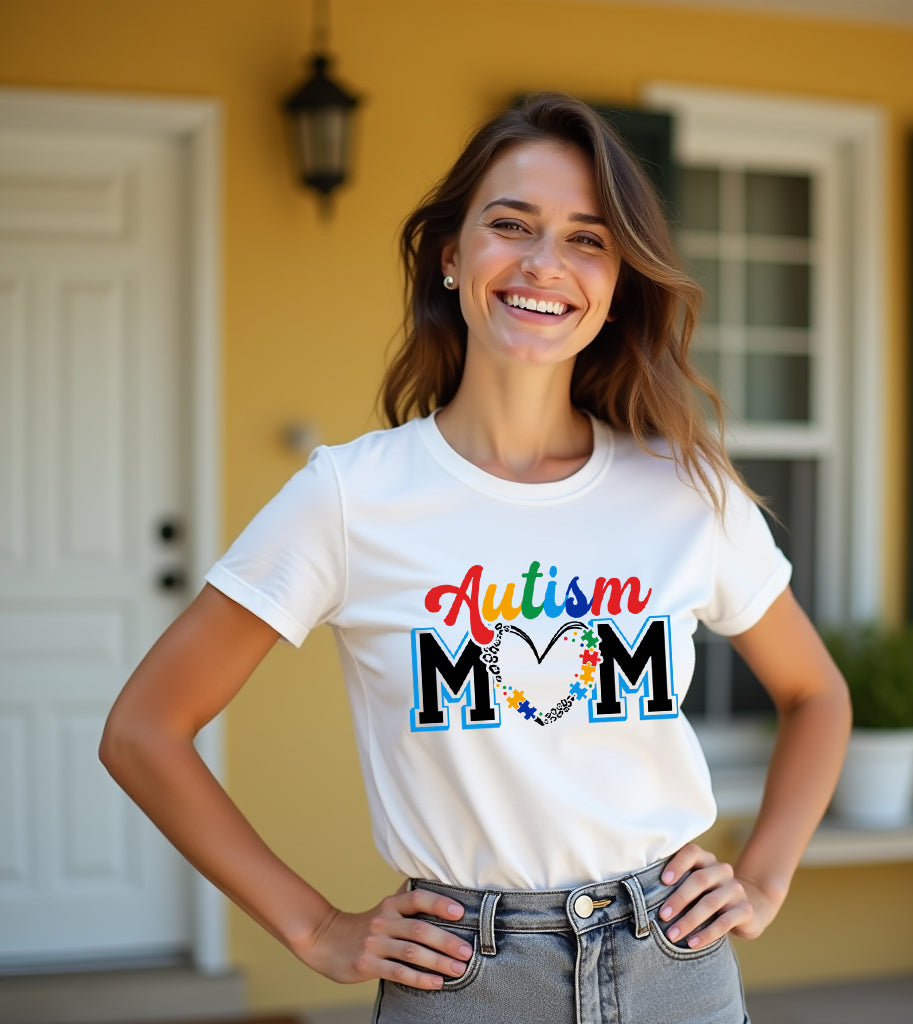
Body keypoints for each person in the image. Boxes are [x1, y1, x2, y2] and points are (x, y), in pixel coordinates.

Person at [101, 92, 851, 1024]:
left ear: (618, 283)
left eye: (588, 238)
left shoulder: (685, 489)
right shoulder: (352, 497)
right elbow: (144, 731)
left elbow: (817, 695)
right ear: (451, 256)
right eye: (511, 224)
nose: (545, 262)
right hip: (463, 980)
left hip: (677, 971)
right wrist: (314, 929)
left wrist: (766, 879)